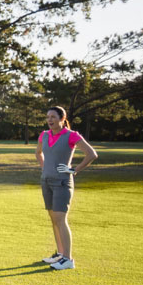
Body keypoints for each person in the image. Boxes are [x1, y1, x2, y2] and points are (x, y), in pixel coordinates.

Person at [35, 106, 98, 270]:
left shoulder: (71, 136)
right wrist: (45, 168)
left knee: (61, 220)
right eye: (48, 117)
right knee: (53, 219)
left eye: (53, 117)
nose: (50, 120)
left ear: (62, 119)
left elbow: (91, 154)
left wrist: (74, 170)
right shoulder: (44, 135)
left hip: (62, 183)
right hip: (46, 181)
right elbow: (38, 153)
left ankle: (68, 259)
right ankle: (60, 254)